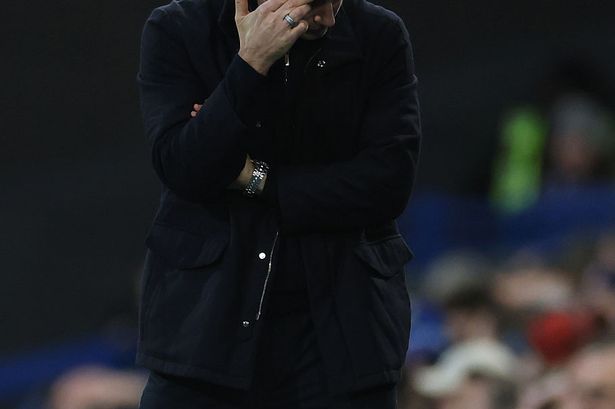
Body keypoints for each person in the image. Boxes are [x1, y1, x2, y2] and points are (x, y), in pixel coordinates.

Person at [135, 0, 421, 406]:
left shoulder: (378, 33)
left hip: (342, 333)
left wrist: (256, 178)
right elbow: (184, 167)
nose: (330, 17)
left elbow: (386, 184)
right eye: (316, 4)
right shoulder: (178, 27)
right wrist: (250, 64)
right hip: (205, 334)